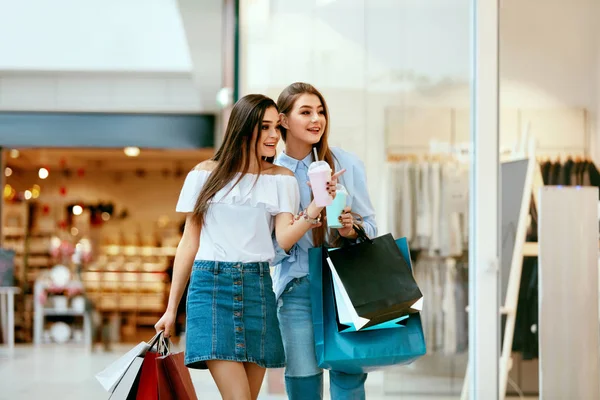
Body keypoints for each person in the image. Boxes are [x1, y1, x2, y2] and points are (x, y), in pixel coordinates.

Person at [154, 93, 340, 400]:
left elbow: (282, 239)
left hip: (258, 289)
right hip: (211, 290)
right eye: (264, 127)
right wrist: (171, 309)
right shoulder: (204, 174)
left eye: (276, 129)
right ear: (242, 128)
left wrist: (318, 207)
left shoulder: (282, 179)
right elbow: (189, 242)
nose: (272, 136)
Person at [272, 82, 378, 400]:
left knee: (349, 378)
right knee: (303, 383)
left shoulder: (346, 164)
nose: (316, 119)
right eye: (305, 112)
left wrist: (350, 229)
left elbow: (370, 226)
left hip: (343, 288)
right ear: (283, 120)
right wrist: (309, 214)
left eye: (320, 111)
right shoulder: (273, 175)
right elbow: (271, 250)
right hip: (296, 292)